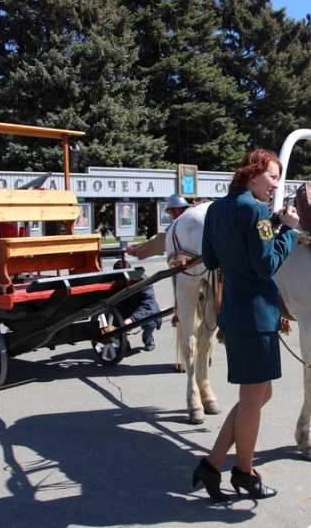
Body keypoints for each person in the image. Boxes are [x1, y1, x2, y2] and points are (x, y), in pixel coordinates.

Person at [192, 149, 299, 502]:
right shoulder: (256, 211)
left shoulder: (216, 209)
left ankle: (212, 465)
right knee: (253, 399)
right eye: (272, 177)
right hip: (257, 316)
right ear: (252, 174)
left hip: (236, 314)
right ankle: (244, 473)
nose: (276, 185)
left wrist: (272, 228)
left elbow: (211, 259)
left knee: (259, 395)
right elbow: (266, 266)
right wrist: (290, 232)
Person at [113, 260, 161, 352]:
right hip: (124, 309)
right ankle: (124, 342)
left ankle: (148, 338)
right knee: (112, 317)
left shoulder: (144, 281)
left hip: (143, 310)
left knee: (151, 322)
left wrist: (132, 319)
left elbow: (147, 304)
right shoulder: (114, 283)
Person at [126, 194, 191, 259]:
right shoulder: (190, 214)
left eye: (171, 214)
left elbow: (165, 238)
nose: (173, 218)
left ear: (177, 209)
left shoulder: (182, 220)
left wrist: (138, 248)